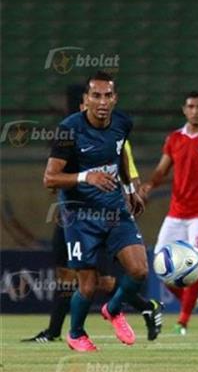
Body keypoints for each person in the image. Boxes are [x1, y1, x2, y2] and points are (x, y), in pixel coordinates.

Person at [25, 85, 163, 343]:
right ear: (84, 103)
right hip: (76, 216)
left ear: (114, 99)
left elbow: (123, 160)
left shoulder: (119, 127)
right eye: (94, 97)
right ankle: (65, 332)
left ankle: (124, 309)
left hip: (110, 211)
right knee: (77, 280)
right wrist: (84, 178)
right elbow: (51, 179)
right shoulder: (69, 131)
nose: (101, 103)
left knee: (122, 275)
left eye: (106, 96)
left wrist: (130, 190)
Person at [139, 91, 198, 335]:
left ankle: (182, 321)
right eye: (191, 106)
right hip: (176, 212)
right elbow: (162, 169)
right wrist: (150, 184)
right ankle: (188, 300)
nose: (195, 111)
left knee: (195, 264)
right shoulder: (174, 139)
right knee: (160, 263)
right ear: (184, 110)